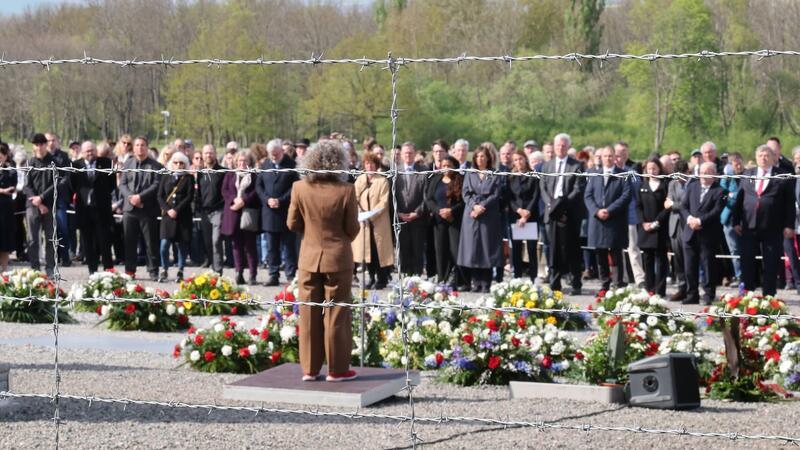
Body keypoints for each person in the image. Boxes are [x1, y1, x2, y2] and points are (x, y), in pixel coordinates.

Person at [287, 139, 360, 382]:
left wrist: (311, 236)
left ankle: (309, 369)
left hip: (308, 257)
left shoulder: (299, 188)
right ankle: (338, 370)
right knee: (337, 314)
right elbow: (352, 229)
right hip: (338, 258)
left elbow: (292, 223)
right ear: (339, 162)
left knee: (308, 314)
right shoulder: (347, 190)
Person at [734, 145, 796, 296]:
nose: (763, 158)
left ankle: (769, 297)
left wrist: (789, 225)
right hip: (749, 226)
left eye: (767, 155)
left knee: (771, 264)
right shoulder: (747, 174)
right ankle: (746, 296)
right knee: (747, 262)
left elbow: (789, 203)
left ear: (773, 157)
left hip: (772, 227)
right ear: (756, 157)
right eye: (760, 155)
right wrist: (735, 221)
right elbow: (739, 200)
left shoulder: (782, 176)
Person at [539, 133, 586, 294]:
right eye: (558, 145)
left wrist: (561, 205)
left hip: (569, 214)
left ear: (568, 147)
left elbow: (578, 190)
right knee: (553, 250)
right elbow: (543, 187)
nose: (560, 148)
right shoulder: (547, 166)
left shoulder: (577, 166)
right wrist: (552, 205)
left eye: (564, 145)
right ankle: (554, 283)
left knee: (572, 249)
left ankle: (576, 284)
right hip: (551, 214)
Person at [457, 144, 504, 292]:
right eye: (477, 156)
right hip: (471, 215)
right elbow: (466, 193)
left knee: (487, 248)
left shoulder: (494, 173)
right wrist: (474, 206)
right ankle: (475, 282)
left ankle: (486, 283)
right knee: (472, 249)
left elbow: (495, 194)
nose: (480, 159)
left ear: (488, 158)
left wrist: (482, 206)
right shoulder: (470, 173)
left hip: (488, 215)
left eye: (483, 156)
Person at [584, 146, 631, 291]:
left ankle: (617, 284)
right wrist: (597, 211)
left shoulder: (623, 175)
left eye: (611, 156)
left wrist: (609, 210)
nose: (608, 158)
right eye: (605, 156)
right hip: (598, 221)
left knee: (616, 253)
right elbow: (588, 196)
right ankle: (604, 284)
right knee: (600, 253)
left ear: (615, 157)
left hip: (615, 220)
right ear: (601, 158)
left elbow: (626, 196)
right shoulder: (594, 174)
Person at [119, 136, 163, 280]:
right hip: (130, 209)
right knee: (129, 242)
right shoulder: (128, 163)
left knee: (151, 242)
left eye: (143, 145)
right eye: (137, 145)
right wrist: (132, 198)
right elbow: (123, 184)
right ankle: (130, 271)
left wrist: (140, 198)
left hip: (147, 209)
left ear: (147, 147)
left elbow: (156, 185)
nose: (140, 148)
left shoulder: (156, 166)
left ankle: (153, 270)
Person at [681, 162, 726, 305]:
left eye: (708, 172)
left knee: (708, 266)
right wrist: (689, 219)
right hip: (690, 232)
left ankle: (708, 295)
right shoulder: (692, 187)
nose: (704, 175)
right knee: (689, 266)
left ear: (714, 174)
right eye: (702, 172)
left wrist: (700, 221)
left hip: (707, 234)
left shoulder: (720, 191)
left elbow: (717, 211)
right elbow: (683, 206)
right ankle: (692, 294)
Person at [256, 139, 299, 286]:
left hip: (286, 212)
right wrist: (267, 199)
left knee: (289, 246)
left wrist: (280, 200)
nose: (273, 157)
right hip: (269, 213)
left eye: (276, 154)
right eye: (271, 154)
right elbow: (259, 186)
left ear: (282, 151)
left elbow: (295, 187)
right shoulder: (265, 165)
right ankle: (273, 274)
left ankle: (290, 274)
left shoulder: (292, 166)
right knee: (271, 246)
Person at [71, 141, 115, 274]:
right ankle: (92, 271)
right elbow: (72, 185)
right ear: (82, 153)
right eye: (87, 151)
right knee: (88, 242)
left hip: (102, 210)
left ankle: (108, 270)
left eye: (92, 150)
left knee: (104, 241)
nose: (90, 153)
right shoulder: (76, 165)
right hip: (84, 210)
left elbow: (112, 184)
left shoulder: (106, 163)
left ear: (96, 150)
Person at [353, 153, 394, 289]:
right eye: (367, 163)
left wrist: (371, 215)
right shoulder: (360, 180)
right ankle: (370, 277)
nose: (369, 166)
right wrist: (361, 213)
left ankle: (382, 278)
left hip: (378, 222)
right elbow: (355, 198)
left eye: (372, 164)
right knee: (367, 252)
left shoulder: (382, 181)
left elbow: (384, 202)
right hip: (364, 223)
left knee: (379, 252)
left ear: (376, 166)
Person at [221, 151, 261, 285]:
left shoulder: (254, 176)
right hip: (233, 213)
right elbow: (225, 191)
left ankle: (252, 274)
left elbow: (256, 191)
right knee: (236, 245)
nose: (241, 163)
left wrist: (243, 200)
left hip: (248, 213)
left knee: (250, 245)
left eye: (244, 161)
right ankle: (239, 272)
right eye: (239, 161)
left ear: (249, 162)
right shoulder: (230, 174)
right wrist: (234, 200)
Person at [425, 155, 465, 288]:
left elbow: (463, 201)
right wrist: (439, 211)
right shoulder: (436, 180)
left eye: (449, 165)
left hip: (454, 220)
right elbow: (429, 199)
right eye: (444, 166)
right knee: (440, 250)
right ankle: (442, 278)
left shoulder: (460, 179)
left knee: (455, 249)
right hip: (439, 220)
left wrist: (451, 211)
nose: (446, 168)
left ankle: (458, 279)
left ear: (454, 166)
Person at [157, 152, 194, 282]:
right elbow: (160, 196)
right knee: (164, 245)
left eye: (181, 163)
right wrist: (168, 210)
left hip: (183, 216)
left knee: (182, 245)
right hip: (168, 217)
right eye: (176, 162)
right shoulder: (166, 177)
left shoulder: (189, 178)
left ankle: (180, 269)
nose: (178, 165)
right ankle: (164, 269)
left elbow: (189, 196)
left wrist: (176, 210)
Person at [636, 157, 671, 296]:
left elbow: (666, 207)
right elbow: (638, 206)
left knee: (661, 261)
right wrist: (643, 222)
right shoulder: (642, 186)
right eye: (649, 168)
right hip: (645, 229)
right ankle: (649, 289)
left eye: (654, 168)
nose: (652, 171)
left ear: (659, 169)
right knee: (648, 260)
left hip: (660, 228)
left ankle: (660, 291)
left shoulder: (665, 185)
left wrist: (657, 222)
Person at [24, 133, 56, 277]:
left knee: (50, 238)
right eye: (36, 144)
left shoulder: (53, 162)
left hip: (49, 206)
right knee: (32, 239)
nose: (39, 147)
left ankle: (50, 268)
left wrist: (42, 198)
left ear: (45, 145)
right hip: (32, 206)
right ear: (34, 146)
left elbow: (57, 183)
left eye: (42, 144)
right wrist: (36, 200)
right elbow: (26, 186)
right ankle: (35, 269)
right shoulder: (30, 163)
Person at [395, 142, 428, 275]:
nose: (408, 155)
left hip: (418, 219)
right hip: (401, 218)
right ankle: (404, 278)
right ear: (401, 155)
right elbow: (392, 196)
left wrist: (417, 212)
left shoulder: (423, 171)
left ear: (414, 154)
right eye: (405, 153)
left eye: (410, 153)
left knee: (417, 251)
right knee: (404, 250)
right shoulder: (395, 172)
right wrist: (398, 213)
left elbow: (426, 195)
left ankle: (417, 279)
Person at [616, 141, 645, 288]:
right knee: (617, 251)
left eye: (623, 153)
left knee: (633, 249)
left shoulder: (632, 173)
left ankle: (639, 279)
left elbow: (637, 193)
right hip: (614, 216)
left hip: (630, 216)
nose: (620, 156)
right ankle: (622, 279)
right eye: (618, 153)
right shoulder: (608, 172)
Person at [507, 150, 540, 281]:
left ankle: (533, 278)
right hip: (516, 215)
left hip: (531, 216)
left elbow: (535, 195)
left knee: (532, 249)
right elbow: (509, 197)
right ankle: (517, 278)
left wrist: (527, 213)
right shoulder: (510, 176)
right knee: (516, 248)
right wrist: (519, 210)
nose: (518, 162)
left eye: (520, 159)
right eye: (515, 160)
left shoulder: (533, 175)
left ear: (525, 159)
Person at [196, 144, 225, 274]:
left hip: (218, 210)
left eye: (211, 153)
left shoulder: (222, 172)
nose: (208, 155)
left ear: (215, 154)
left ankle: (218, 270)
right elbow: (199, 193)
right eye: (206, 153)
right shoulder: (200, 173)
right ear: (202, 155)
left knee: (216, 240)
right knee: (207, 241)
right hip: (204, 211)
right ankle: (213, 268)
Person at [45, 132, 73, 267]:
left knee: (62, 228)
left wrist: (57, 186)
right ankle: (51, 259)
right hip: (45, 198)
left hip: (59, 196)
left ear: (57, 141)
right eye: (48, 140)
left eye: (53, 140)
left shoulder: (64, 156)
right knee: (48, 230)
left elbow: (67, 176)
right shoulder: (42, 157)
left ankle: (65, 257)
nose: (51, 143)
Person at [665, 159, 690, 301]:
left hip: (687, 224)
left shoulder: (692, 184)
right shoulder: (672, 184)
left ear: (687, 172)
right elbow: (666, 204)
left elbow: (685, 205)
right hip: (674, 226)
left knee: (689, 259)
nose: (679, 178)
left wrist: (674, 204)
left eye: (682, 174)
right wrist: (674, 204)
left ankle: (691, 288)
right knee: (678, 259)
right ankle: (681, 287)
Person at [719, 153, 744, 285]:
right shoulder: (727, 178)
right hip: (729, 218)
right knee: (734, 249)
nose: (738, 166)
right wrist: (733, 196)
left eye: (740, 163)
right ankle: (738, 275)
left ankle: (749, 276)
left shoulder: (747, 176)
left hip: (745, 218)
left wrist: (733, 195)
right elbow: (722, 194)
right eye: (735, 164)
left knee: (747, 248)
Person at [0, 142, 17, 271]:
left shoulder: (10, 169)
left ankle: (4, 271)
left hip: (6, 210)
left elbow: (13, 186)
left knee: (5, 242)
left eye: (2, 154)